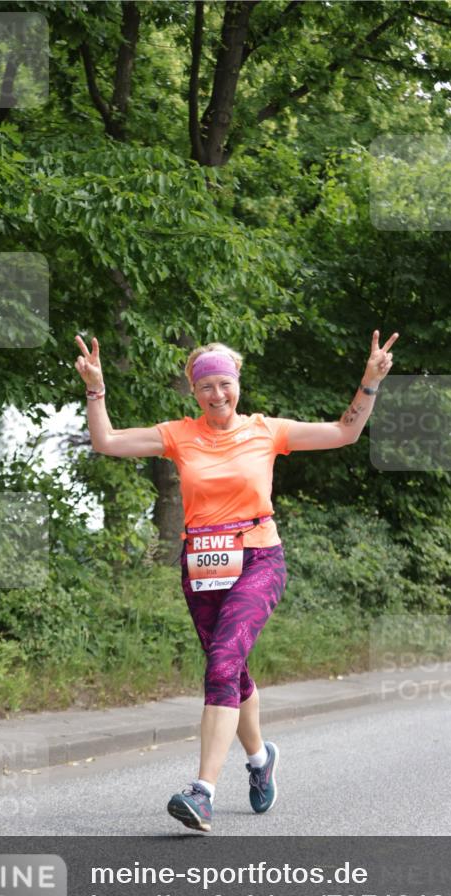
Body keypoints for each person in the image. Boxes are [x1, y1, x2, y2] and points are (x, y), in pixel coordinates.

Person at [74, 330, 398, 832]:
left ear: (238, 382)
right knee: (231, 669)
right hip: (202, 566)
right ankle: (260, 758)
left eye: (224, 384)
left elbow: (343, 432)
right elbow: (107, 441)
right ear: (194, 392)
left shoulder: (268, 431)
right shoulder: (178, 435)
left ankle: (201, 792)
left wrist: (369, 383)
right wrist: (96, 388)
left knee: (223, 662)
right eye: (206, 387)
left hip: (258, 559)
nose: (217, 395)